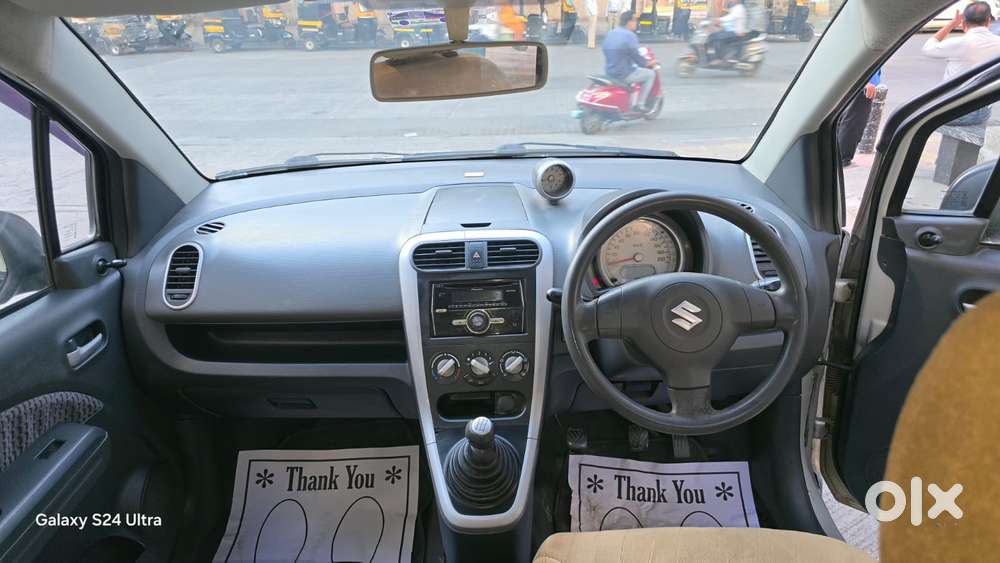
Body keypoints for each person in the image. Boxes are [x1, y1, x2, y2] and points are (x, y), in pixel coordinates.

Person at [922, 1, 1000, 124]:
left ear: (963, 24)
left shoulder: (959, 43)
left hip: (956, 110)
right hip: (983, 111)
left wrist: (952, 24)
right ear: (988, 21)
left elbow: (927, 48)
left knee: (919, 114)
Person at [602, 10, 657, 112]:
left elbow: (605, 49)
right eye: (635, 20)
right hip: (623, 73)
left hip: (609, 71)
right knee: (650, 74)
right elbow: (637, 58)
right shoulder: (630, 35)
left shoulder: (611, 33)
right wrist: (649, 63)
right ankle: (640, 105)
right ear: (629, 22)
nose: (636, 23)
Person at [837, 70, 881, 167]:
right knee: (855, 120)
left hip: (860, 81)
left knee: (851, 118)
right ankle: (843, 158)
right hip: (862, 82)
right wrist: (866, 82)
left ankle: (841, 157)